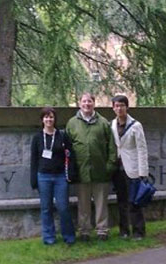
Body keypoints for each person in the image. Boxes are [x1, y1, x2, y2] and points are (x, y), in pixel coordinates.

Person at [66, 92, 116, 241]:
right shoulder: (72, 123)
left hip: (100, 171)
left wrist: (109, 166)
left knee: (101, 204)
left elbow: (112, 147)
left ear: (94, 103)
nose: (87, 104)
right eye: (84, 101)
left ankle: (102, 230)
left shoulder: (103, 123)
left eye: (90, 101)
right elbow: (67, 148)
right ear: (79, 103)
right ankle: (84, 231)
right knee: (83, 205)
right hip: (81, 173)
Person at [30, 107, 76, 245]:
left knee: (63, 207)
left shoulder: (62, 136)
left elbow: (71, 155)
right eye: (46, 117)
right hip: (43, 177)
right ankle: (49, 238)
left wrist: (71, 173)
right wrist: (33, 179)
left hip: (60, 177)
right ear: (42, 119)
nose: (49, 119)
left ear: (55, 119)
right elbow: (34, 160)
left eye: (51, 117)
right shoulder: (37, 138)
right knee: (46, 208)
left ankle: (69, 236)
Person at [110, 95, 149, 240]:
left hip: (133, 169)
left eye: (122, 105)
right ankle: (124, 231)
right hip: (118, 169)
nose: (119, 108)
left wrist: (142, 172)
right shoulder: (112, 125)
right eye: (116, 106)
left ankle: (139, 231)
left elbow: (142, 149)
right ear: (113, 108)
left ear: (127, 107)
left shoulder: (136, 126)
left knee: (134, 202)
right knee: (121, 202)